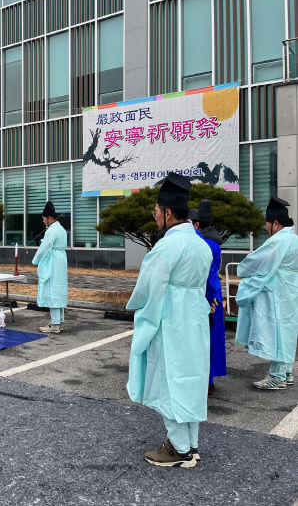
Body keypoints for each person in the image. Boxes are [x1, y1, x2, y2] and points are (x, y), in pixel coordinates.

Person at [126, 173, 212, 468]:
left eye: (156, 212)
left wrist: (138, 312)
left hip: (171, 319)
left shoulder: (167, 247)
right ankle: (191, 444)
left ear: (168, 213)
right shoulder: (200, 245)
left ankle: (178, 449)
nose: (155, 217)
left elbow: (148, 288)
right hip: (195, 320)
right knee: (191, 380)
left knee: (169, 382)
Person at [236, 196, 298, 390]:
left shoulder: (279, 241)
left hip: (278, 293)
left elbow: (255, 262)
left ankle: (277, 377)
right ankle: (286, 372)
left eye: (267, 224)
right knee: (286, 331)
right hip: (289, 290)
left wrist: (242, 270)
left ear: (276, 223)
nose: (266, 229)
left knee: (277, 332)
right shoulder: (293, 238)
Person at [189, 199, 227, 394]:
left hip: (206, 294)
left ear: (197, 225)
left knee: (203, 339)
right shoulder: (214, 242)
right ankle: (209, 380)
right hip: (215, 293)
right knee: (212, 339)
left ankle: (205, 380)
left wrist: (208, 298)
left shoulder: (203, 244)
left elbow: (206, 274)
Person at [32, 201, 68, 334]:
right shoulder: (61, 229)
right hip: (60, 261)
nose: (43, 222)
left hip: (53, 262)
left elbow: (44, 248)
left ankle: (55, 324)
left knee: (53, 292)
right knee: (57, 291)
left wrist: (36, 260)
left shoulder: (52, 231)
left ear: (49, 218)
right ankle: (57, 322)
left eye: (43, 219)